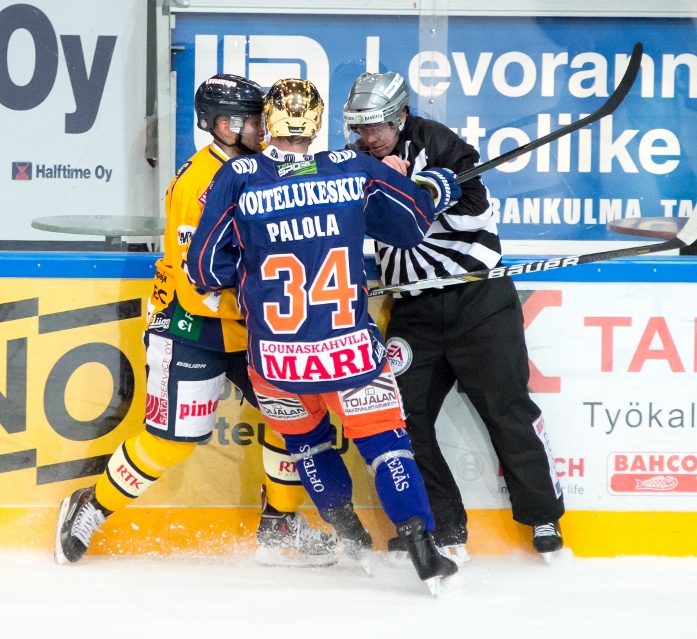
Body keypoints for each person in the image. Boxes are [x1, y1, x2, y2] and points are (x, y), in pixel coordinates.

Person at [186, 78, 461, 593]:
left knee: (308, 447)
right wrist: (422, 183)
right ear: (317, 124)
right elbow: (411, 225)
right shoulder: (352, 168)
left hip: (275, 359)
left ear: (267, 123)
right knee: (388, 447)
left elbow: (204, 266)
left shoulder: (239, 175)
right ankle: (423, 547)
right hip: (349, 352)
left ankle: (348, 534)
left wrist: (249, 270)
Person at [54, 74, 336, 568]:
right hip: (192, 324)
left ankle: (280, 524)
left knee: (295, 414)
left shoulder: (258, 167)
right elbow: (201, 279)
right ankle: (90, 506)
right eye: (255, 120)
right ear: (224, 126)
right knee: (171, 439)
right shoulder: (199, 184)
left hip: (249, 326)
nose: (265, 127)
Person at [342, 71, 566, 562]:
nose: (369, 137)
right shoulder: (357, 162)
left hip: (478, 301)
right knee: (403, 419)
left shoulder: (442, 144)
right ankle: (441, 525)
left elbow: (471, 211)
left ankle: (543, 514)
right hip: (414, 309)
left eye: (377, 126)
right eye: (361, 129)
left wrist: (415, 188)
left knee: (507, 409)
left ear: (400, 116)